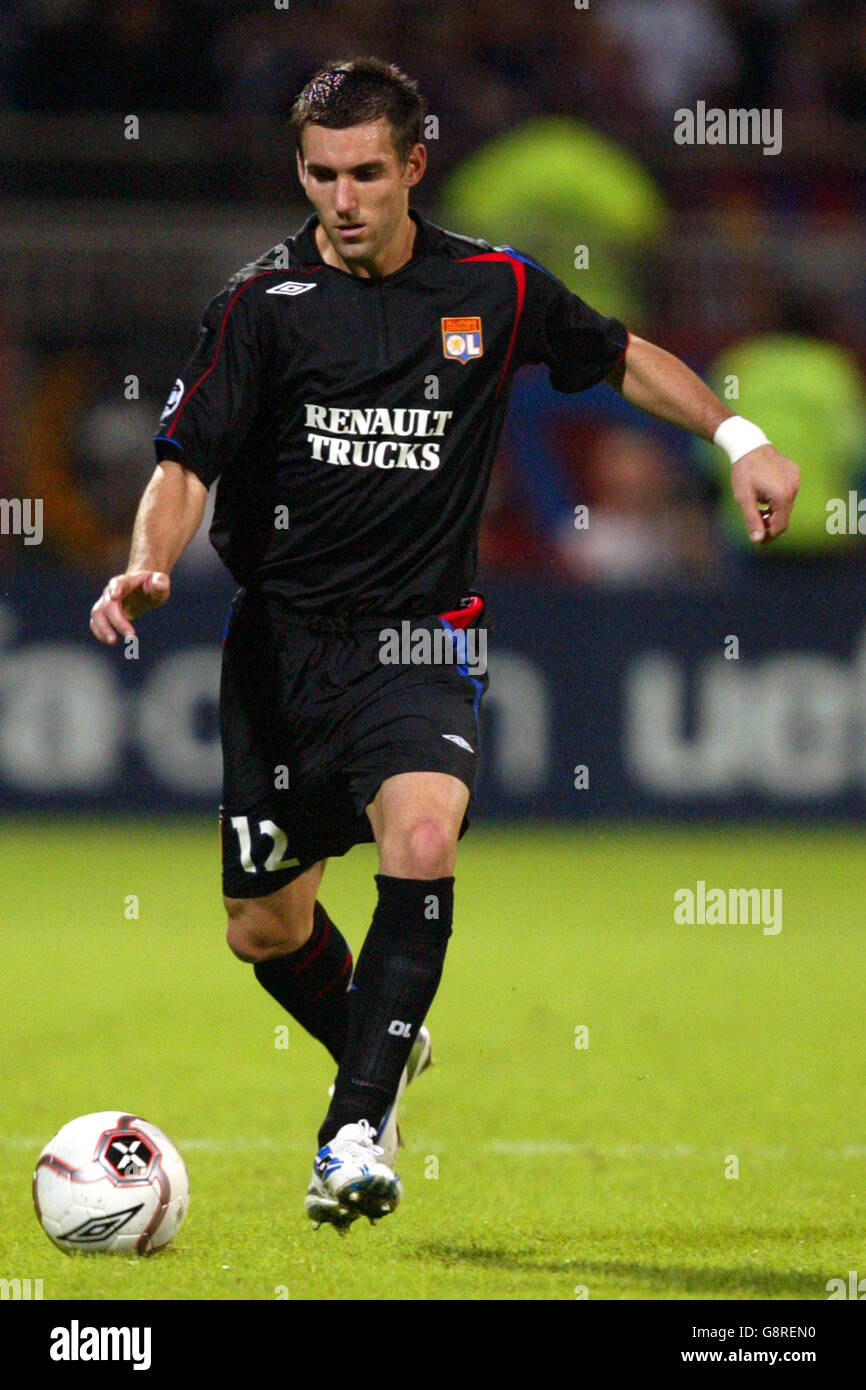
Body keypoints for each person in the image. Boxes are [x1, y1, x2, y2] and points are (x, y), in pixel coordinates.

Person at [89, 57, 800, 1234]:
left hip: (423, 636)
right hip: (279, 650)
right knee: (262, 924)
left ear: (412, 165)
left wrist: (739, 434)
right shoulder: (258, 307)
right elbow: (186, 462)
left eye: (366, 171)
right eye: (320, 174)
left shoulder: (492, 288)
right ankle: (384, 1043)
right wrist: (149, 561)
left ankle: (351, 1130)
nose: (343, 198)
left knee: (421, 834)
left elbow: (621, 353)